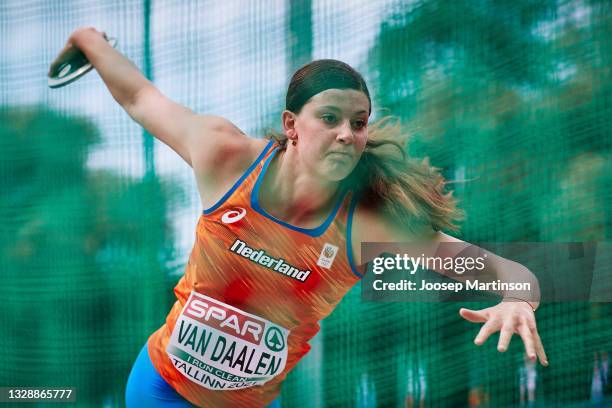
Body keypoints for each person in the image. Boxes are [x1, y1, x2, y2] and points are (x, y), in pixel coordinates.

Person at [52, 27, 548, 408]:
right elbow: (140, 98)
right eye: (329, 118)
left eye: (357, 123)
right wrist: (89, 40)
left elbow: (510, 273)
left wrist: (520, 301)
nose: (346, 135)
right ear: (292, 124)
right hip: (159, 385)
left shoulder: (368, 225)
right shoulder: (226, 157)